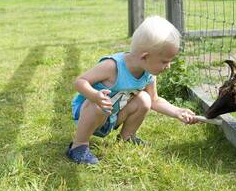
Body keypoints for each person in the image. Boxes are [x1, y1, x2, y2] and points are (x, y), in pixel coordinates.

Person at [67, 16, 198, 164]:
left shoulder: (148, 72)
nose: (168, 66)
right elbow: (80, 81)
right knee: (97, 105)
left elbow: (155, 100)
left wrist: (177, 111)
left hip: (112, 117)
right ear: (145, 57)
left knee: (145, 99)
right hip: (89, 114)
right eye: (165, 61)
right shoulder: (112, 67)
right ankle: (79, 146)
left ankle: (126, 137)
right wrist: (94, 95)